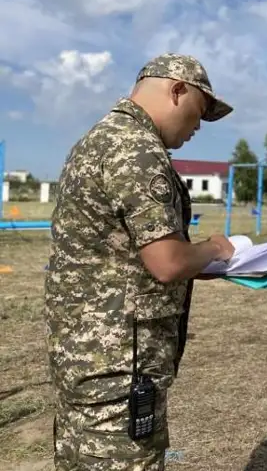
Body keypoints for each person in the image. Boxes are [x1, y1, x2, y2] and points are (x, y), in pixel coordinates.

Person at [45, 53, 236, 470]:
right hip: (118, 368)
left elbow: (117, 253)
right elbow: (167, 262)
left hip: (84, 356)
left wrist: (193, 264)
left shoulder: (100, 138)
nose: (198, 126)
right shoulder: (138, 149)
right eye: (200, 111)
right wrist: (213, 249)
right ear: (177, 90)